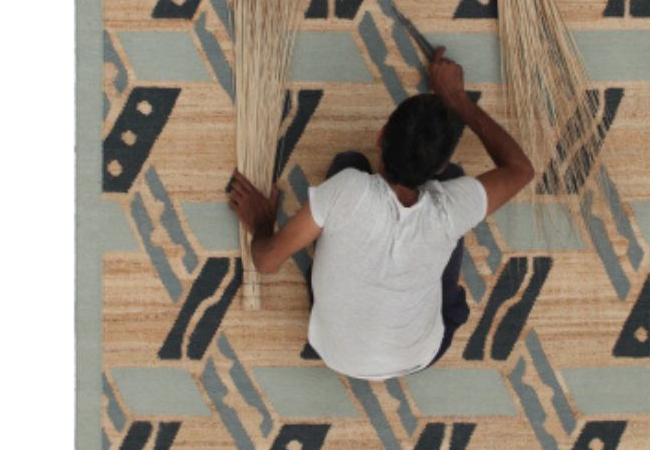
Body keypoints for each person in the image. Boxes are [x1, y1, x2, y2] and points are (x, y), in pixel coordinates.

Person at [226, 48, 534, 381]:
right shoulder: (450, 208)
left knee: (349, 163)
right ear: (438, 165)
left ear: (381, 135)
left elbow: (266, 261)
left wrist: (261, 223)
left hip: (333, 350)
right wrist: (459, 99)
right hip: (417, 355)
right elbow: (520, 170)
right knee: (455, 189)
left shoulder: (347, 190)